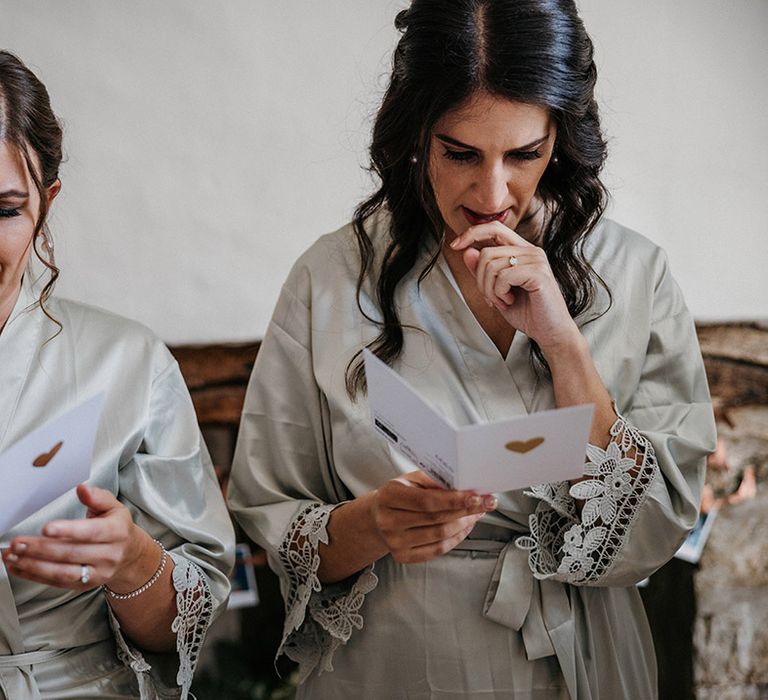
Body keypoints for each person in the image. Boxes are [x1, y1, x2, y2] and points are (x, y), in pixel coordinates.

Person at [227, 1, 716, 697]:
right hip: (392, 662)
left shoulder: (634, 274)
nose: (492, 193)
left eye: (524, 154)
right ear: (417, 133)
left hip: (581, 659)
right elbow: (272, 512)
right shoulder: (330, 278)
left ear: (562, 134)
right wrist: (374, 523)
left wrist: (562, 341)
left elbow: (661, 525)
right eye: (460, 153)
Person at [0, 51, 235, 698]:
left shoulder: (127, 363)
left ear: (45, 205)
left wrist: (130, 560)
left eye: (4, 211)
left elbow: (186, 623)